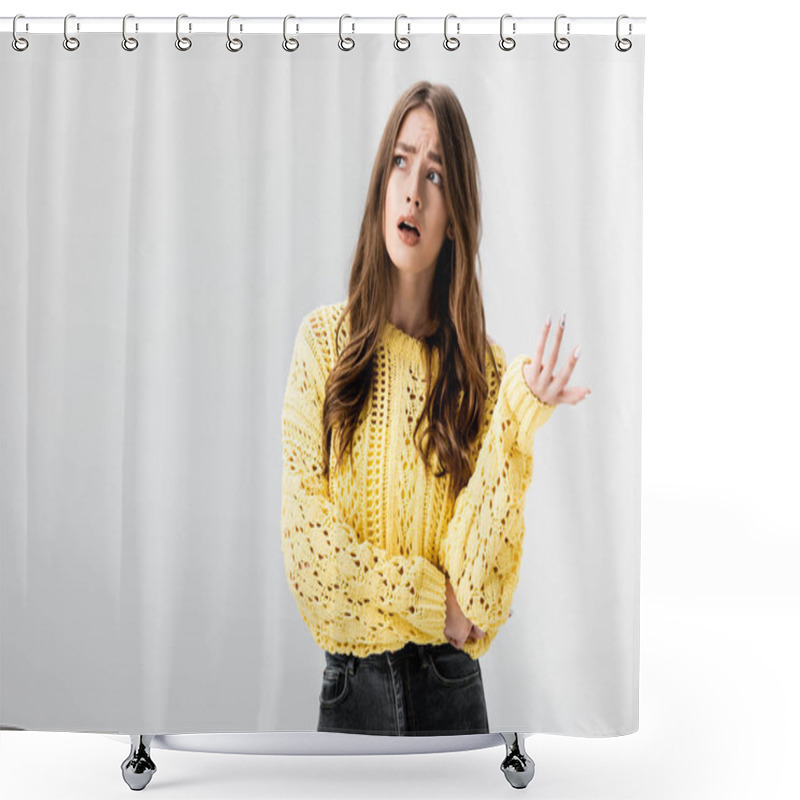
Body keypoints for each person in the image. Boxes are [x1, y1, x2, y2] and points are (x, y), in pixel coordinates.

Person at [280, 80, 590, 736]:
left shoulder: (489, 374)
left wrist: (516, 421)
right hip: (350, 693)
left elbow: (479, 602)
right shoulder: (321, 346)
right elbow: (312, 562)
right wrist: (429, 601)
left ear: (455, 219)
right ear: (381, 186)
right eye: (400, 161)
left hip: (451, 690)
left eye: (437, 174)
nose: (413, 188)